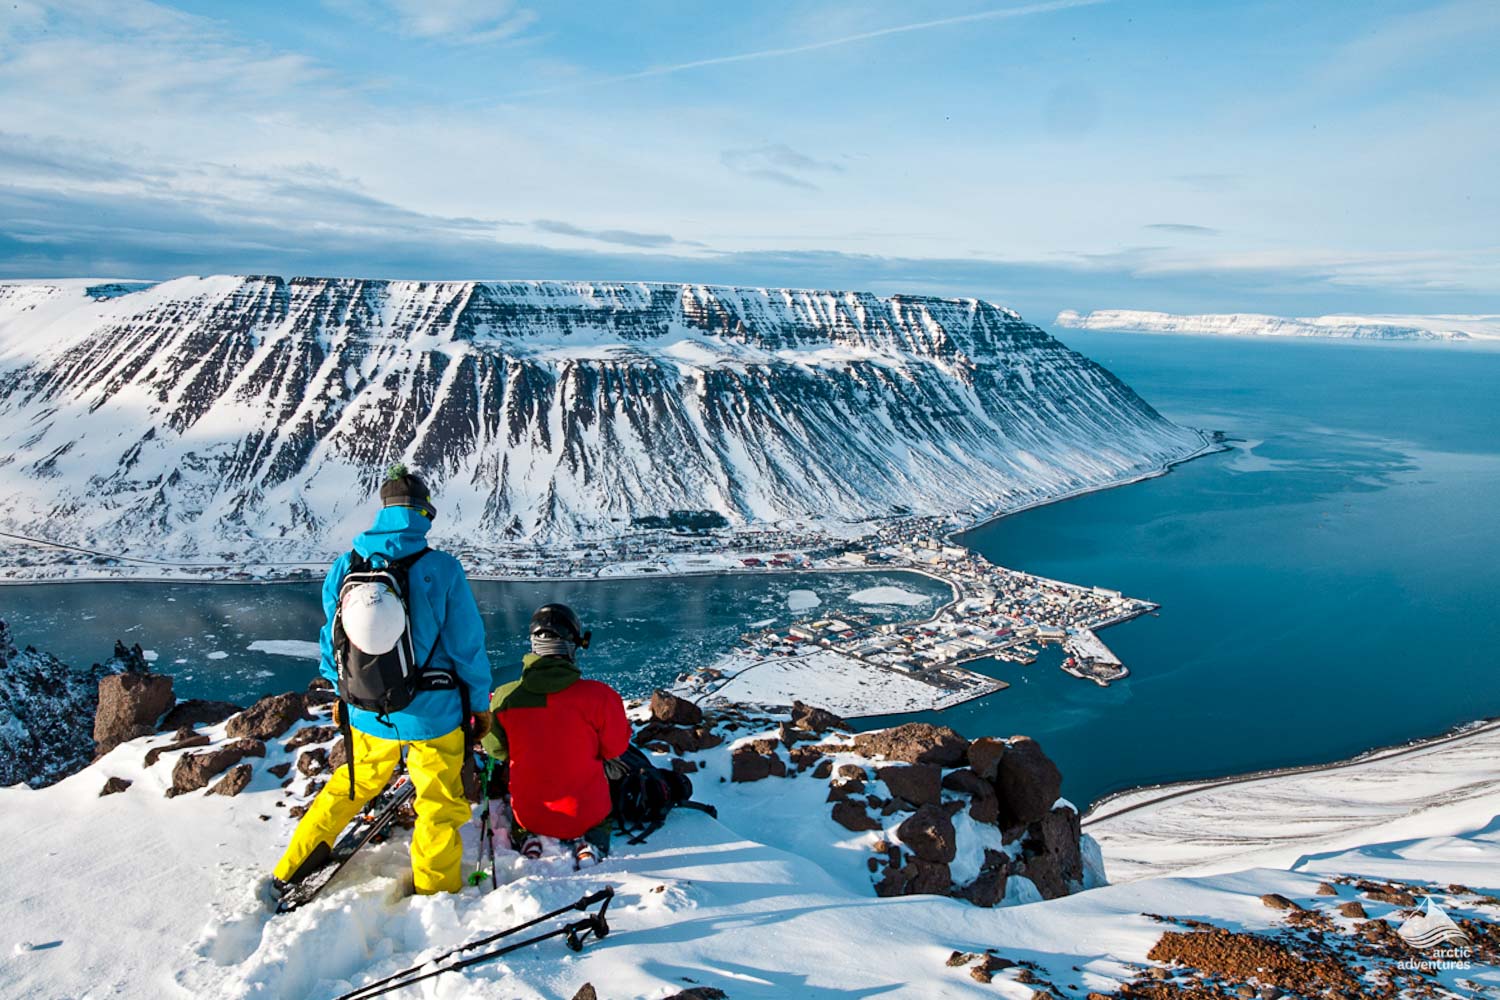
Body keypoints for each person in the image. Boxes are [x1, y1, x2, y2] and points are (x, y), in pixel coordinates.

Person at [270, 466, 492, 897]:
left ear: (382, 509)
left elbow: (332, 638)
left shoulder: (345, 565)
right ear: (424, 511)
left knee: (352, 784)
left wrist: (341, 693)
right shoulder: (441, 568)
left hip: (367, 708)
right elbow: (467, 646)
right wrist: (479, 705)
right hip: (433, 713)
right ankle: (436, 891)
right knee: (438, 804)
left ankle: (292, 865)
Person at [481, 603, 630, 866]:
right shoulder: (601, 697)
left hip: (530, 813)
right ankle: (591, 841)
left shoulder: (504, 697)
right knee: (600, 806)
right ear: (573, 645)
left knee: (522, 804)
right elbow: (614, 749)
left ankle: (527, 837)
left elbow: (496, 750)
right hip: (586, 813)